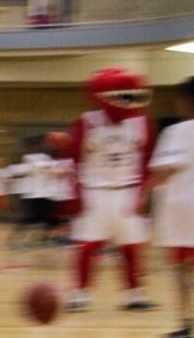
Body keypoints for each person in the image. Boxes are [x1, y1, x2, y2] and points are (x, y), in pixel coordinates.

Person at [66, 67, 156, 311]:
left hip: (128, 189)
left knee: (131, 246)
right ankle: (80, 294)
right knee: (87, 245)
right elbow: (72, 160)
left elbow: (147, 161)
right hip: (96, 191)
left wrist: (144, 192)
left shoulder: (142, 123)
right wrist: (74, 195)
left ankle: (133, 294)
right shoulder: (87, 122)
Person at [147, 76, 194, 338]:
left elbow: (167, 168)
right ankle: (192, 327)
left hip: (187, 211)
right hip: (191, 211)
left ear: (189, 101)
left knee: (183, 270)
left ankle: (188, 325)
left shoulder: (180, 131)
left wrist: (145, 190)